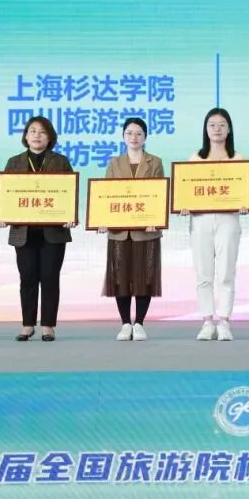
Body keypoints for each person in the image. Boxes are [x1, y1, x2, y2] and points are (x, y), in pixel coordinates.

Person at [0, 116, 76, 342]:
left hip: (53, 232)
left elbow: (69, 193)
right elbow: (6, 195)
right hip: (24, 233)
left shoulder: (60, 162)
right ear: (26, 136)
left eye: (42, 132)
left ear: (49, 137)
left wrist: (70, 215)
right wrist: (2, 215)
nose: (37, 135)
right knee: (27, 278)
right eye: (32, 131)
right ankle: (28, 325)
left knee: (50, 278)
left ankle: (48, 326)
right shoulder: (14, 163)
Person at [181, 108, 247, 342]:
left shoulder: (237, 158)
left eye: (222, 124)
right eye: (212, 125)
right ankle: (207, 321)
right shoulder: (195, 158)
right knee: (204, 273)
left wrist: (243, 203)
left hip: (228, 220)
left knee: (226, 272)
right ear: (206, 129)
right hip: (201, 220)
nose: (217, 129)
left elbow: (242, 191)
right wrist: (184, 205)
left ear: (229, 129)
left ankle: (224, 321)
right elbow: (186, 190)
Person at [99, 117, 164, 342]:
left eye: (138, 133)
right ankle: (125, 323)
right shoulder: (114, 163)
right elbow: (106, 195)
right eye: (129, 133)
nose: (134, 137)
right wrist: (102, 220)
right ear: (123, 136)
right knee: (120, 277)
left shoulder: (155, 162)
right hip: (119, 231)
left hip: (146, 230)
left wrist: (156, 219)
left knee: (144, 277)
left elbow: (158, 194)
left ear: (145, 137)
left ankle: (140, 323)